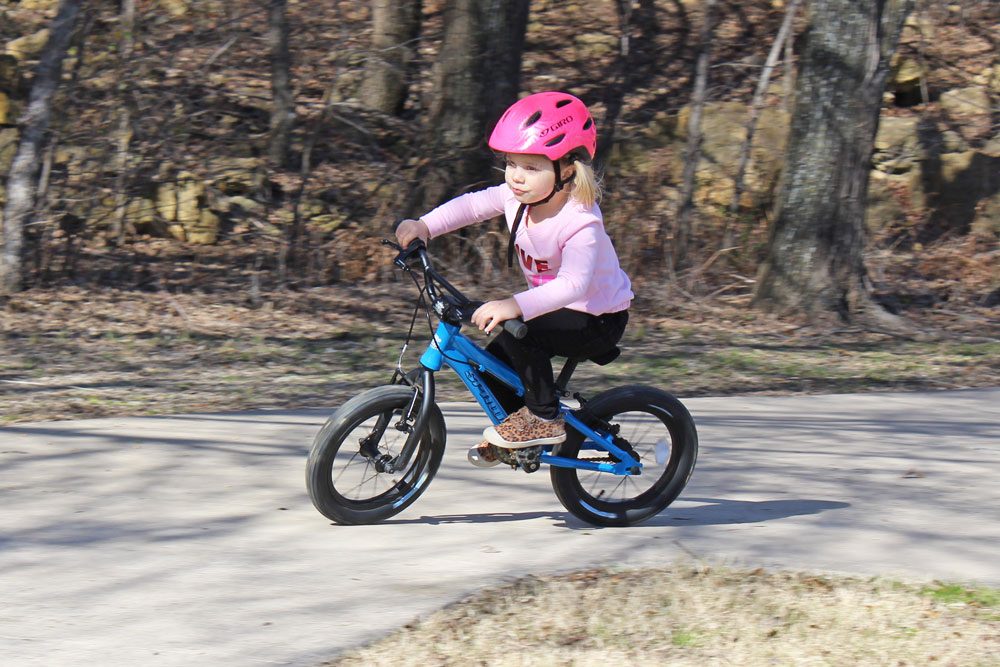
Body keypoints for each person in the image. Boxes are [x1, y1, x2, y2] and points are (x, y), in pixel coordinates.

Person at [395, 91, 633, 467]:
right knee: (492, 370)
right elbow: (472, 206)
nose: (517, 177)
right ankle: (519, 435)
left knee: (519, 328)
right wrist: (425, 225)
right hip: (551, 309)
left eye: (532, 168)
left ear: (567, 169)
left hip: (597, 317)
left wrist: (513, 305)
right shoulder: (515, 197)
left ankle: (542, 418)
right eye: (511, 164)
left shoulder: (580, 222)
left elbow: (573, 285)